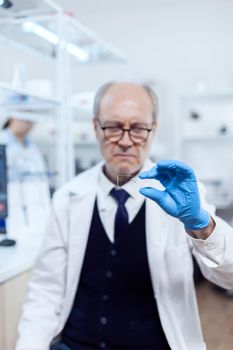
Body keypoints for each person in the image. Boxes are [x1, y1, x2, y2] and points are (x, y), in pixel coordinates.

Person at [15, 82, 233, 350]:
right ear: (96, 127)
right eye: (114, 127)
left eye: (139, 128)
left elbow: (229, 276)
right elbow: (45, 291)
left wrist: (200, 224)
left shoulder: (183, 197)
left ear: (154, 129)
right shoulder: (67, 197)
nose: (127, 141)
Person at [0, 111, 47, 181]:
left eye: (32, 120)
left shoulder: (32, 145)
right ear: (11, 118)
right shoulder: (2, 141)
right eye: (25, 119)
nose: (29, 124)